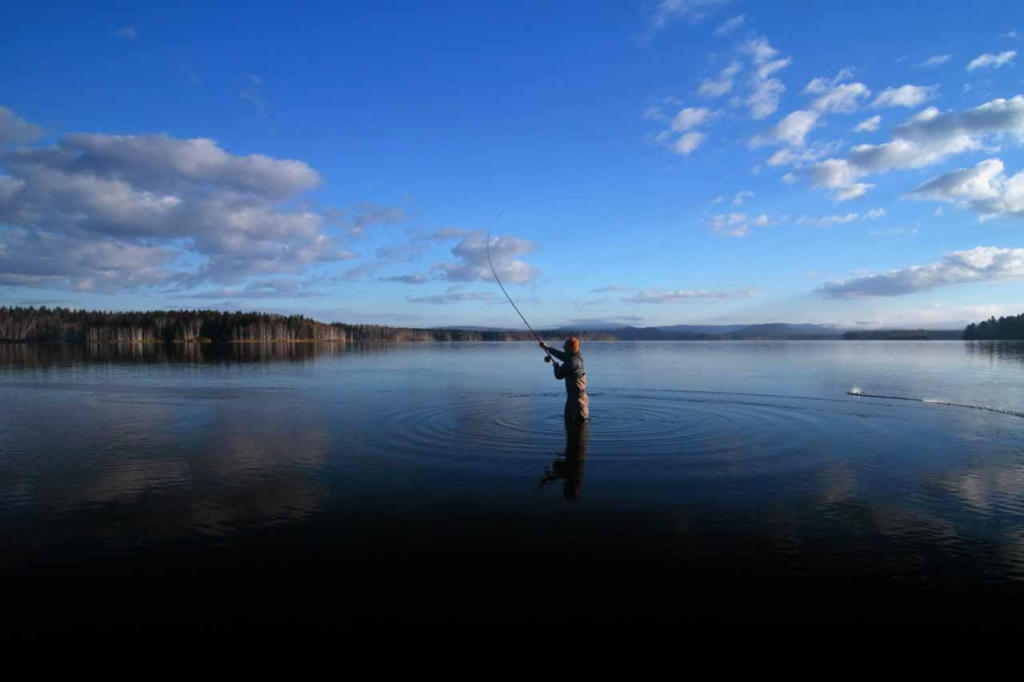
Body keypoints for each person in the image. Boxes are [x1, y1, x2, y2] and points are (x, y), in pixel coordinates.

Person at [540, 337, 589, 422]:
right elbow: (562, 355)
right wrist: (547, 348)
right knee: (568, 419)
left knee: (581, 421)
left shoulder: (571, 362)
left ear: (570, 348)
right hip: (573, 396)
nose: (563, 347)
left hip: (579, 399)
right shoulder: (577, 356)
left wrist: (556, 367)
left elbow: (559, 375)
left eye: (565, 346)